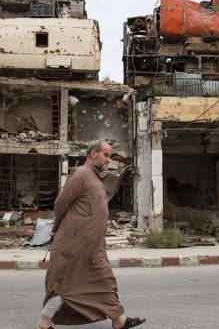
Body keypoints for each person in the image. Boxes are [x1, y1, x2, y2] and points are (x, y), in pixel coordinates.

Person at [36, 140, 146, 329]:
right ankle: (44, 323)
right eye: (105, 155)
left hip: (93, 245)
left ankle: (119, 320)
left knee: (104, 280)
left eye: (109, 155)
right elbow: (60, 203)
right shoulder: (81, 174)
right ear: (93, 154)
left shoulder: (95, 177)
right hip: (75, 243)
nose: (108, 159)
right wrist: (56, 226)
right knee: (64, 284)